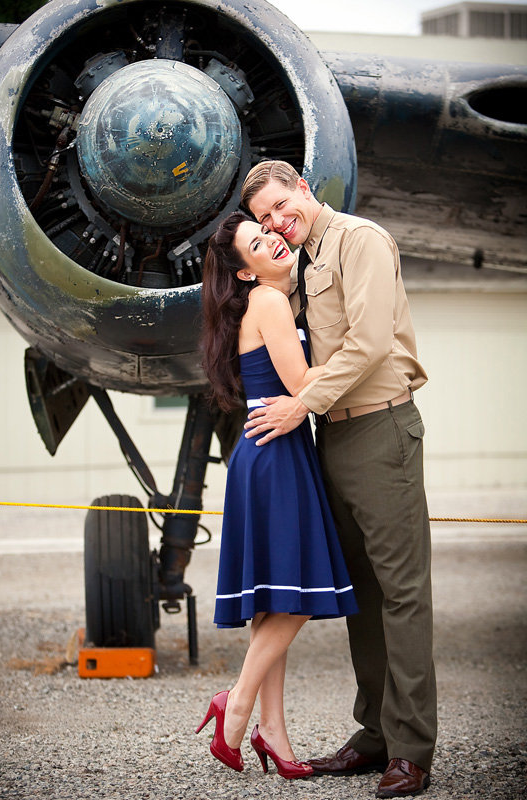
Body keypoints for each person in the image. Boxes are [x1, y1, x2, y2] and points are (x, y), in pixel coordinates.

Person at [240, 160, 437, 799]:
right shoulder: (299, 264)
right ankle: (373, 736)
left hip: (381, 430)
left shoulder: (360, 240)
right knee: (365, 595)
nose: (275, 222)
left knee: (402, 594)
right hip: (333, 437)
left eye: (278, 205)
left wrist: (302, 403)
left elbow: (370, 342)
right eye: (264, 219)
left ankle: (409, 751)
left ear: (301, 185)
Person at [196, 211, 357, 779]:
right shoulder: (266, 301)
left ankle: (276, 738)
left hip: (275, 452)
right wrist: (364, 357)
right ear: (244, 272)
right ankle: (235, 704)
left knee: (278, 599)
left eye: (269, 234)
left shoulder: (272, 303)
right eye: (256, 245)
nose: (273, 244)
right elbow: (302, 385)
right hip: (275, 457)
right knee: (300, 597)